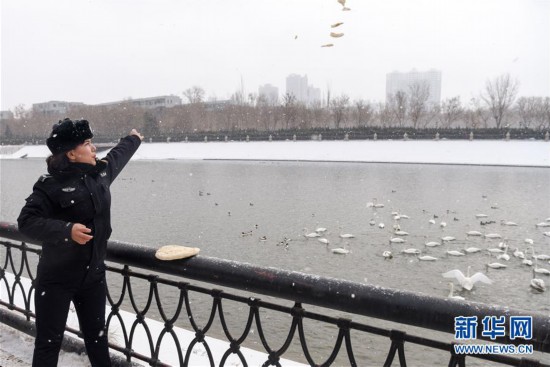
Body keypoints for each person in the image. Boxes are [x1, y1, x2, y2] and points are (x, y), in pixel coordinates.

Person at [18, 118, 144, 367]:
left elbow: (119, 156)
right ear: (72, 153)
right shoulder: (50, 186)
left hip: (92, 278)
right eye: (87, 143)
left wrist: (133, 139)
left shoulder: (100, 173)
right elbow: (26, 222)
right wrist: (66, 230)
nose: (94, 148)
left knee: (98, 342)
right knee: (48, 344)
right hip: (56, 280)